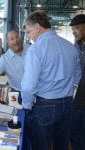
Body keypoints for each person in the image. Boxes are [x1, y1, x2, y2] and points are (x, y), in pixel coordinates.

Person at [21, 10, 81, 150]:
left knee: (41, 145)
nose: (29, 37)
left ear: (37, 27)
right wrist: (69, 92)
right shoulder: (70, 47)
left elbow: (28, 86)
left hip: (44, 105)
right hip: (67, 104)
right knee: (62, 145)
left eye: (29, 32)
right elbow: (78, 75)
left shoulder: (35, 49)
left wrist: (27, 105)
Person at [69, 14, 85, 150]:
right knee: (75, 134)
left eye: (78, 28)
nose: (74, 31)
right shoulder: (74, 48)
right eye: (73, 29)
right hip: (77, 100)